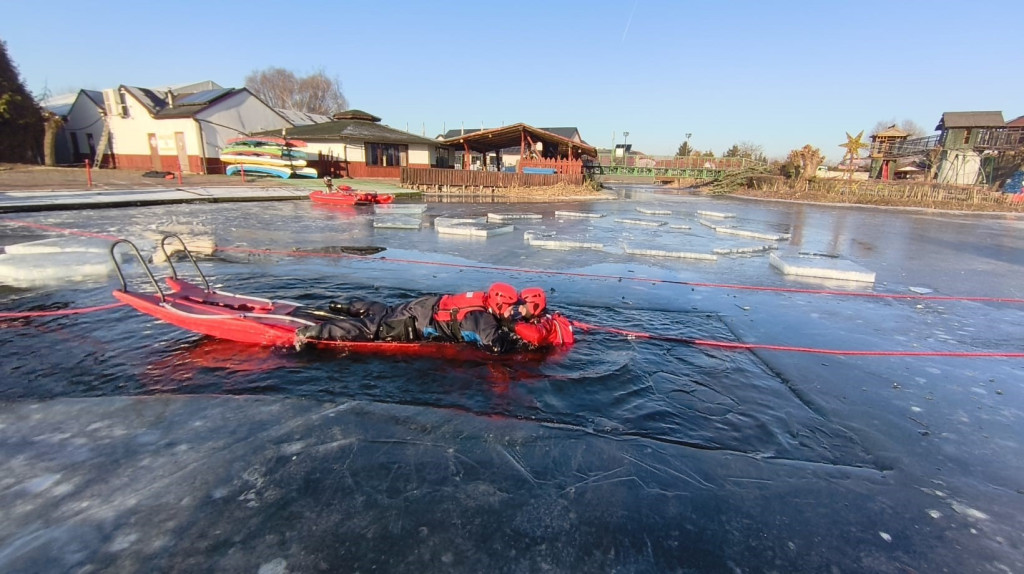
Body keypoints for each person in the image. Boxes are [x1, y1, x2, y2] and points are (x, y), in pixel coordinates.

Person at [296, 282, 527, 354]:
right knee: (373, 329)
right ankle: (314, 332)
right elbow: (494, 346)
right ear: (498, 304)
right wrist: (518, 340)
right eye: (510, 308)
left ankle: (345, 307)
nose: (513, 312)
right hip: (415, 323)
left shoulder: (479, 298)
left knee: (385, 310)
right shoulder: (483, 318)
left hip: (424, 304)